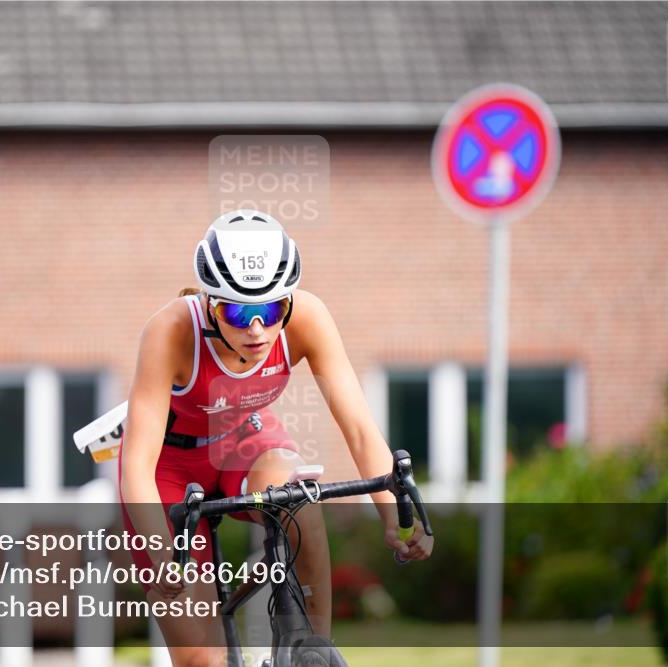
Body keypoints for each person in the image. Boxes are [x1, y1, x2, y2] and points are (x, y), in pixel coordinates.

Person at [118, 209, 433, 666]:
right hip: (168, 466)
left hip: (243, 440)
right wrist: (164, 555)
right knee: (201, 658)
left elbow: (360, 429)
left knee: (298, 500)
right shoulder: (170, 331)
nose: (256, 330)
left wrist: (395, 517)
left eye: (270, 310)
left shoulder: (308, 317)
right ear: (209, 303)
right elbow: (137, 466)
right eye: (237, 311)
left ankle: (313, 652)